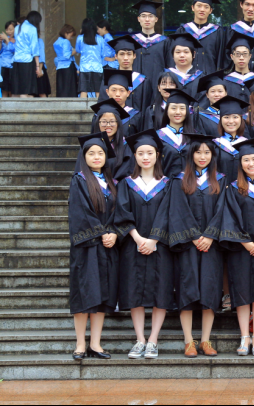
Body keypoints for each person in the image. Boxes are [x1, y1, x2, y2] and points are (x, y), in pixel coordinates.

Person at [159, 133, 227, 358]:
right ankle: (189, 341)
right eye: (198, 152)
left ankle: (206, 340)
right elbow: (177, 210)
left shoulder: (220, 180)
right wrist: (195, 236)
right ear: (191, 154)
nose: (202, 156)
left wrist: (210, 235)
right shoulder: (179, 180)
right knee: (186, 290)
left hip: (211, 245)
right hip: (187, 245)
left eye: (207, 152)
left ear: (213, 156)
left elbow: (222, 210)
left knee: (210, 290)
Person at [209, 138, 254, 356]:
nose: (251, 163)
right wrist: (246, 243)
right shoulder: (233, 188)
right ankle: (244, 337)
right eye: (246, 160)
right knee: (242, 291)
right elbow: (229, 217)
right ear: (240, 163)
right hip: (241, 249)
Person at [114, 129, 174, 360]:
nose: (145, 157)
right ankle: (140, 339)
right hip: (133, 245)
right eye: (141, 153)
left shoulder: (168, 184)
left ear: (157, 155)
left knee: (161, 291)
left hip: (161, 246)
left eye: (150, 153)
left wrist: (154, 239)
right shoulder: (126, 184)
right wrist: (139, 239)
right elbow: (122, 213)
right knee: (133, 291)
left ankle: (153, 340)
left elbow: (168, 213)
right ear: (135, 156)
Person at [68, 133, 119, 361]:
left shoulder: (112, 183)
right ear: (84, 156)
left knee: (102, 295)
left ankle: (95, 344)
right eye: (91, 153)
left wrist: (114, 232)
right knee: (83, 294)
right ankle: (80, 344)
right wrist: (101, 232)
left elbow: (119, 212)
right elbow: (80, 212)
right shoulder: (79, 180)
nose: (96, 157)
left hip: (107, 247)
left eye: (100, 153)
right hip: (86, 247)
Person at [172, 0, 224, 74]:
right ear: (193, 7)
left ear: (210, 10)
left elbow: (221, 58)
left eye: (206, 7)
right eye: (199, 6)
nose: (202, 9)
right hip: (186, 77)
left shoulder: (217, 32)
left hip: (210, 77)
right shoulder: (183, 30)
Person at [98, 35, 151, 111]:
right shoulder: (108, 79)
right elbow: (103, 104)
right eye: (122, 54)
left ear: (134, 56)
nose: (125, 58)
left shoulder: (142, 81)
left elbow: (146, 107)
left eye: (129, 54)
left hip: (137, 118)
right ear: (116, 56)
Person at [87, 98, 134, 181]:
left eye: (112, 121)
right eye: (104, 122)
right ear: (97, 123)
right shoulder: (88, 145)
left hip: (118, 187)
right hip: (92, 186)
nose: (108, 125)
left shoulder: (126, 146)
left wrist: (111, 185)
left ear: (118, 124)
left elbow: (127, 171)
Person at [92, 70, 145, 137]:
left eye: (122, 90)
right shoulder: (98, 115)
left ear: (128, 93)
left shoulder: (135, 116)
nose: (117, 94)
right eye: (113, 90)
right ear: (107, 92)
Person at [157, 89, 197, 178]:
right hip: (166, 184)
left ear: (187, 111)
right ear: (167, 110)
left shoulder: (196, 136)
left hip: (191, 184)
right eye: (173, 108)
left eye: (182, 108)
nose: (178, 112)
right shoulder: (158, 136)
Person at [130, 0, 167, 89]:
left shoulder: (165, 42)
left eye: (150, 16)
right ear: (138, 19)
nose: (147, 19)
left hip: (158, 86)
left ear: (156, 19)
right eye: (143, 16)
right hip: (136, 86)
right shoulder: (132, 41)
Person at [212, 95, 250, 179]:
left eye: (235, 117)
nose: (231, 121)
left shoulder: (247, 144)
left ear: (241, 119)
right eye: (226, 117)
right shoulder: (214, 145)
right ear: (220, 120)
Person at [221, 31, 254, 102]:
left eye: (245, 54)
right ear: (232, 56)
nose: (241, 58)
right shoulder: (225, 82)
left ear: (250, 56)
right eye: (237, 54)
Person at [11, 11, 42, 97]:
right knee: (25, 91)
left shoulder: (17, 27)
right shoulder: (32, 28)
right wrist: (37, 66)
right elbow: (34, 48)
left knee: (16, 90)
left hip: (16, 60)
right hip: (27, 61)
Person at [76, 18, 105, 98]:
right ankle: (99, 106)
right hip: (97, 67)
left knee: (83, 90)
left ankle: (82, 106)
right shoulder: (100, 38)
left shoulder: (80, 38)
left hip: (84, 67)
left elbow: (78, 50)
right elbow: (103, 53)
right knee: (98, 91)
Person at [195, 71, 230, 136]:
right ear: (207, 95)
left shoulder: (234, 115)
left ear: (226, 93)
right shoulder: (201, 117)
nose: (216, 94)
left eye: (220, 91)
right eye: (213, 91)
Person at [53, 25, 78, 97]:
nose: (71, 38)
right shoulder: (66, 42)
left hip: (60, 66)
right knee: (70, 89)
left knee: (61, 88)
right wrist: (76, 50)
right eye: (71, 36)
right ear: (66, 33)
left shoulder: (56, 42)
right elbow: (67, 55)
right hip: (68, 66)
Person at [0, 20, 17, 96]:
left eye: (11, 29)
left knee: (11, 90)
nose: (9, 32)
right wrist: (0, 42)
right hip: (3, 65)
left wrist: (7, 40)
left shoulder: (17, 39)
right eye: (7, 29)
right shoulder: (5, 39)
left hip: (12, 66)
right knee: (4, 89)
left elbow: (13, 50)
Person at [34, 33, 51, 97]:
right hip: (30, 67)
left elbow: (41, 56)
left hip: (39, 67)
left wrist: (40, 69)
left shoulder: (39, 41)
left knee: (42, 91)